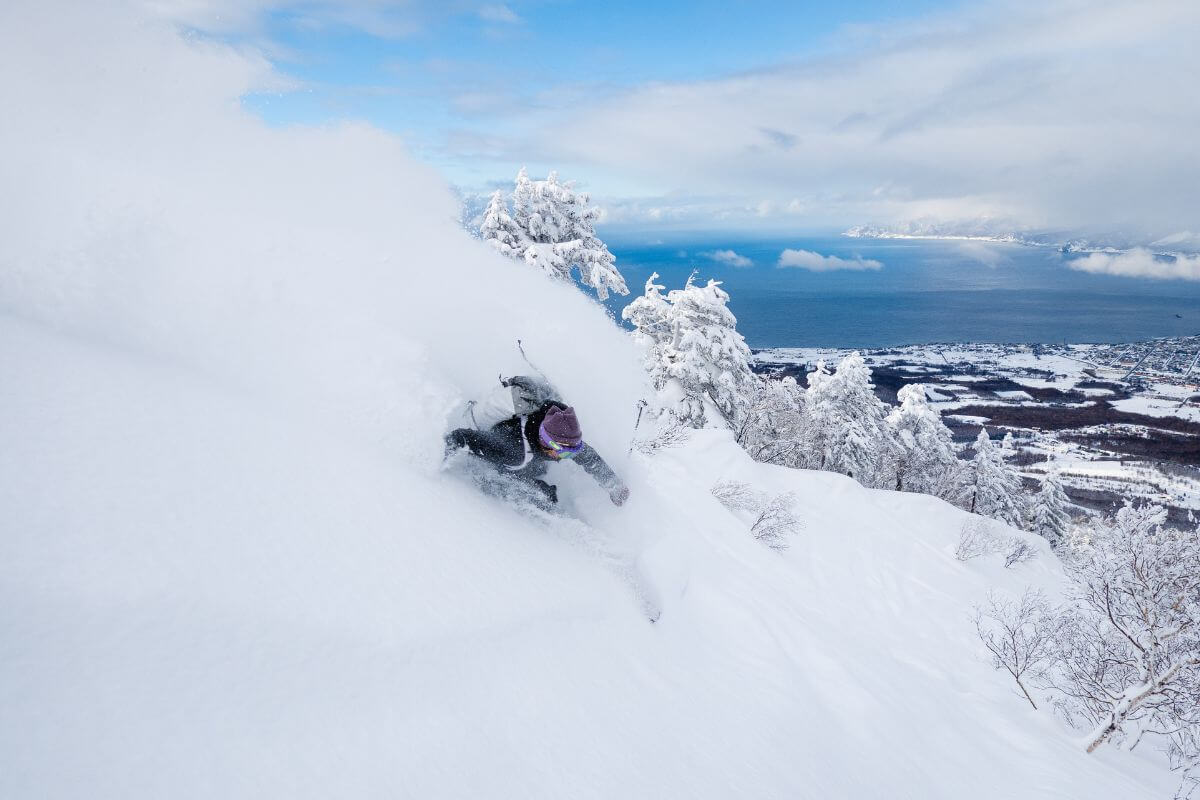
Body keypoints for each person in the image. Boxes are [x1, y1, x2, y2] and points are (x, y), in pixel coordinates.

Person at [445, 377, 630, 507]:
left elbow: (589, 458)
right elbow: (460, 437)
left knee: (541, 474)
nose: (566, 456)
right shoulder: (512, 449)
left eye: (571, 451)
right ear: (546, 440)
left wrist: (614, 486)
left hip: (522, 453)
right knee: (526, 472)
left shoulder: (561, 436)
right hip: (503, 449)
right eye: (563, 451)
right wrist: (435, 453)